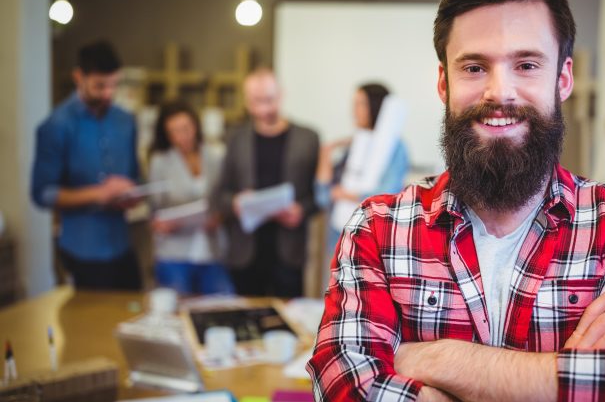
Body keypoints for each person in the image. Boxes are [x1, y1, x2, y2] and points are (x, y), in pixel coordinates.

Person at [307, 0, 605, 402]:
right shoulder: (377, 230)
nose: (500, 92)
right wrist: (569, 376)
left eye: (527, 64)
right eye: (474, 67)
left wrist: (437, 358)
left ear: (563, 78)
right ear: (444, 83)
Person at [31, 40, 143, 290]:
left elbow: (136, 177)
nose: (108, 94)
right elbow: (42, 193)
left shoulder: (126, 121)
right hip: (81, 248)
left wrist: (132, 194)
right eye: (99, 86)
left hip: (122, 244)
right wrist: (101, 193)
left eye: (114, 85)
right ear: (78, 77)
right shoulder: (57, 126)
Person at [212, 68, 319, 297]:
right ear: (247, 102)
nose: (263, 109)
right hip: (245, 251)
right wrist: (236, 202)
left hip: (289, 251)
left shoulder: (308, 138)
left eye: (269, 100)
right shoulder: (236, 138)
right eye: (256, 102)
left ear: (281, 95)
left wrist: (301, 210)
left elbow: (318, 196)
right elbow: (219, 195)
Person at [147, 101, 233, 295]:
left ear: (195, 126)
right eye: (174, 131)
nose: (182, 136)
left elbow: (223, 198)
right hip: (174, 251)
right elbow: (154, 209)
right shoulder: (160, 161)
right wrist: (161, 223)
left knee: (221, 303)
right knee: (178, 311)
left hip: (211, 248)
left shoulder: (215, 157)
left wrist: (219, 217)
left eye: (186, 129)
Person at [315, 83, 410, 254]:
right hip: (339, 233)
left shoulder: (395, 148)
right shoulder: (353, 146)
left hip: (371, 237)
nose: (354, 111)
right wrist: (327, 151)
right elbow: (323, 195)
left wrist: (346, 194)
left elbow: (387, 194)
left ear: (376, 106)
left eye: (360, 104)